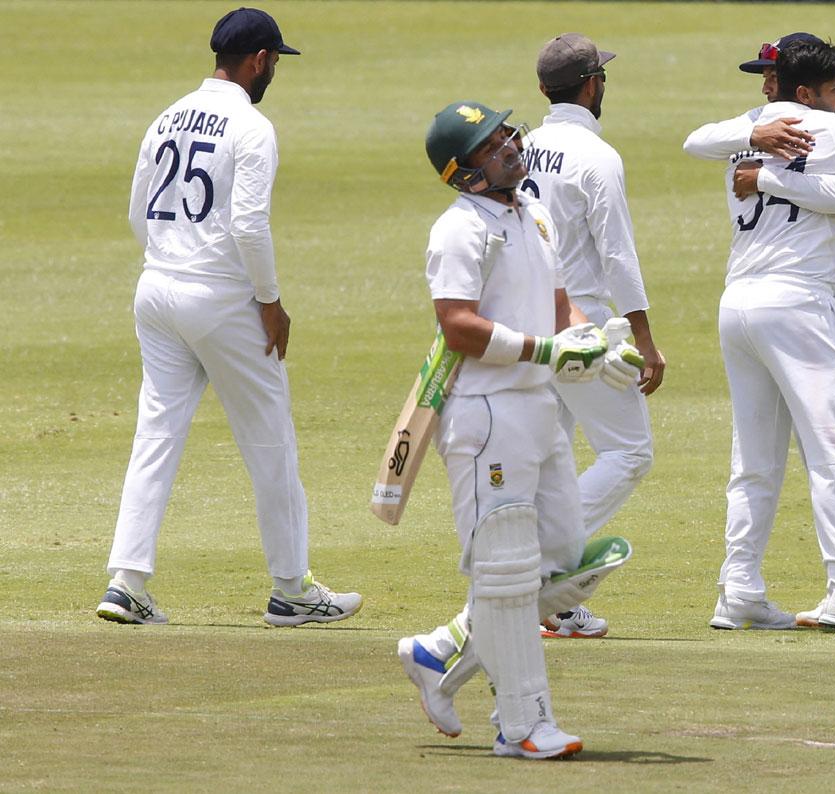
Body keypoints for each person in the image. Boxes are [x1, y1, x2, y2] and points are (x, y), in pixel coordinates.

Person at [96, 7, 361, 628]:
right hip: (221, 298)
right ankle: (292, 590)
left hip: (156, 289)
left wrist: (170, 260)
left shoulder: (167, 115)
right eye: (274, 62)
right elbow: (247, 222)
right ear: (260, 60)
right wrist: (269, 301)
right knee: (270, 437)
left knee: (155, 434)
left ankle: (126, 582)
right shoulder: (252, 125)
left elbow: (138, 212)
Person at [395, 101, 638, 759]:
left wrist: (597, 340)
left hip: (537, 411)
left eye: (506, 133)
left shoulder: (531, 213)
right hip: (487, 413)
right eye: (491, 142)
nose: (509, 143)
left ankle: (438, 655)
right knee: (505, 573)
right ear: (466, 171)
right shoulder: (459, 230)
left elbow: (559, 304)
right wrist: (546, 351)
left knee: (564, 566)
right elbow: (457, 324)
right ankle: (523, 724)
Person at [684, 34, 835, 625]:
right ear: (808, 90)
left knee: (754, 459)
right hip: (798, 305)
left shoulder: (743, 129)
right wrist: (787, 177)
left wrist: (761, 170)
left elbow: (695, 140)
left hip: (737, 303)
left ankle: (738, 590)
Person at [520, 33, 666, 639]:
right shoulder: (596, 157)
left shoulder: (521, 145)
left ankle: (548, 593)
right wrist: (646, 340)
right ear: (590, 85)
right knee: (630, 452)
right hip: (578, 325)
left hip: (523, 319)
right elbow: (619, 257)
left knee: (551, 460)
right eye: (600, 76)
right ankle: (544, 573)